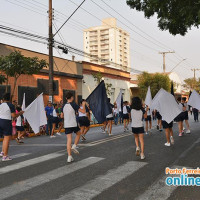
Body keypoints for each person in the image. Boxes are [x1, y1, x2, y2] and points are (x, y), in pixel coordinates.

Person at [61, 92, 86, 163]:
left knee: (69, 140)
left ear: (66, 98)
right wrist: (83, 105)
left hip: (67, 124)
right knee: (79, 133)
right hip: (73, 123)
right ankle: (74, 146)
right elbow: (83, 111)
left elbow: (61, 116)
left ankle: (69, 157)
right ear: (72, 97)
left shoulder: (63, 106)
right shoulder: (74, 104)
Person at [0, 93, 23, 161]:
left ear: (3, 98)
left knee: (5, 138)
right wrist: (20, 113)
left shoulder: (1, 105)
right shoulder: (10, 105)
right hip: (6, 122)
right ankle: (5, 156)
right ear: (10, 99)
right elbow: (14, 115)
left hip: (0, 120)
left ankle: (3, 152)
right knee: (7, 138)